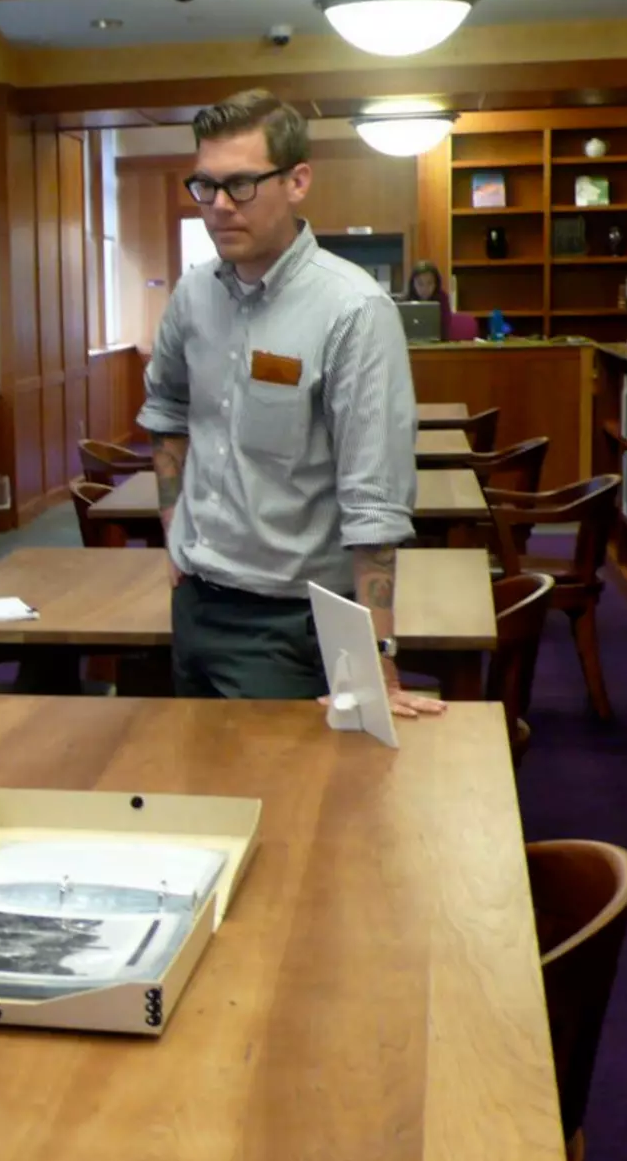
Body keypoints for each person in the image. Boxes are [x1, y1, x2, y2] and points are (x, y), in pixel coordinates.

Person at [138, 90, 446, 719]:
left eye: (243, 185)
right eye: (205, 186)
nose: (219, 207)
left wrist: (377, 657)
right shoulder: (194, 295)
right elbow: (166, 409)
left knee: (284, 809)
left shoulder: (353, 310)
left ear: (298, 180)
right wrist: (173, 526)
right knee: (202, 796)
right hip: (194, 604)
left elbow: (374, 501)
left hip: (290, 625)